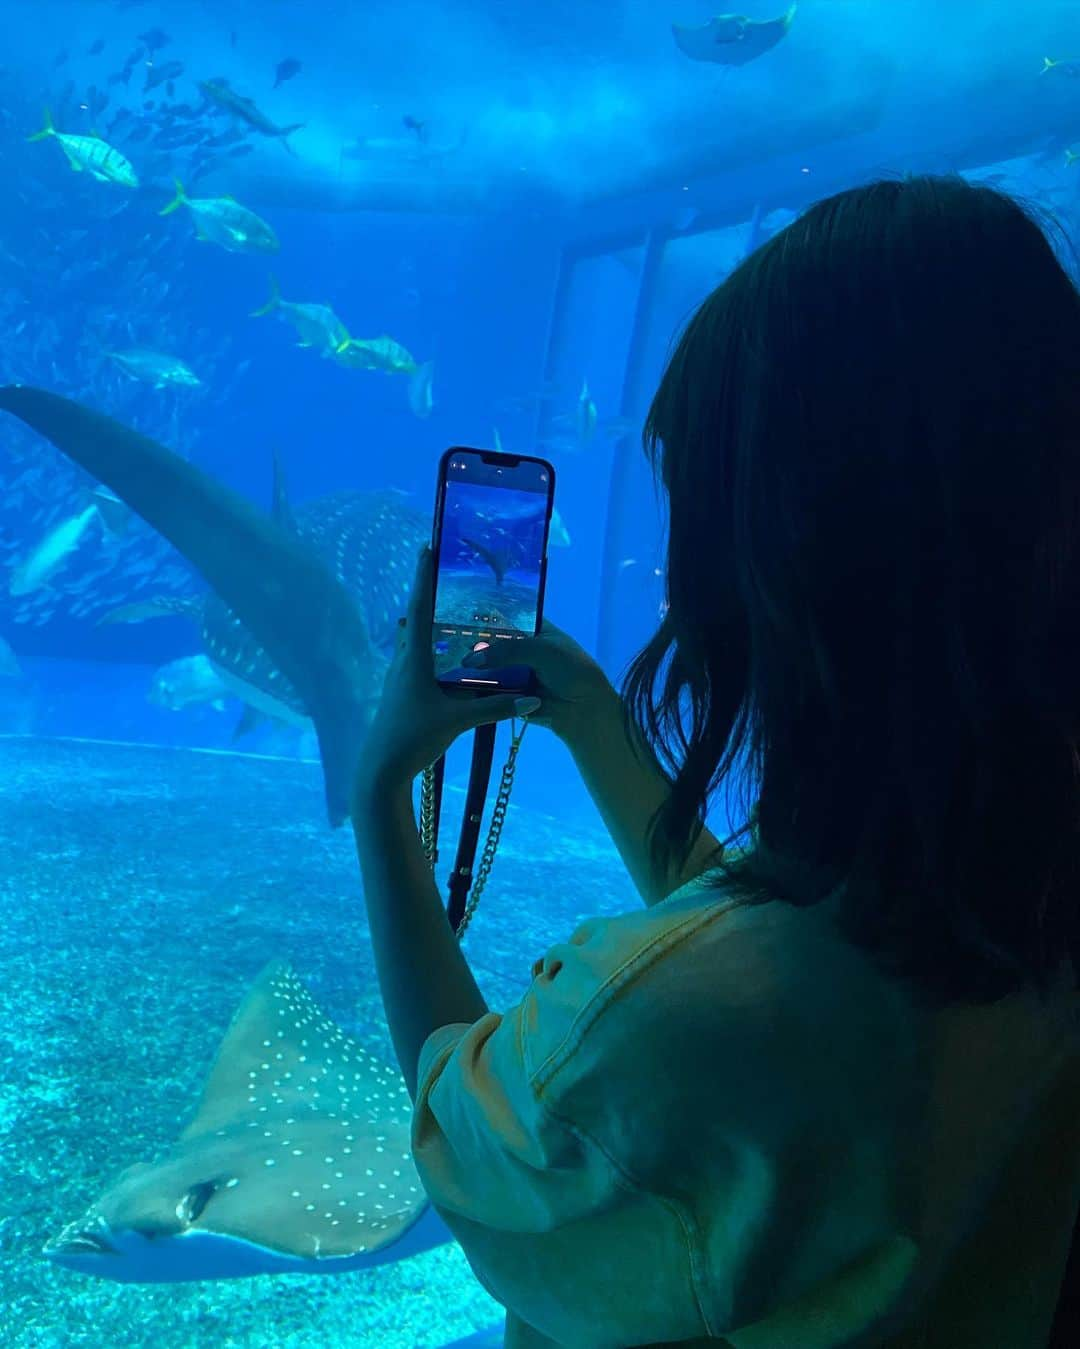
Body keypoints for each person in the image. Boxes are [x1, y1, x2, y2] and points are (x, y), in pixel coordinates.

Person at [350, 176, 1080, 1348]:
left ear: (777, 567)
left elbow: (468, 1133)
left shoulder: (668, 1023)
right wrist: (587, 708)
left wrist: (382, 790)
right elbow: (776, 930)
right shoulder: (1008, 886)